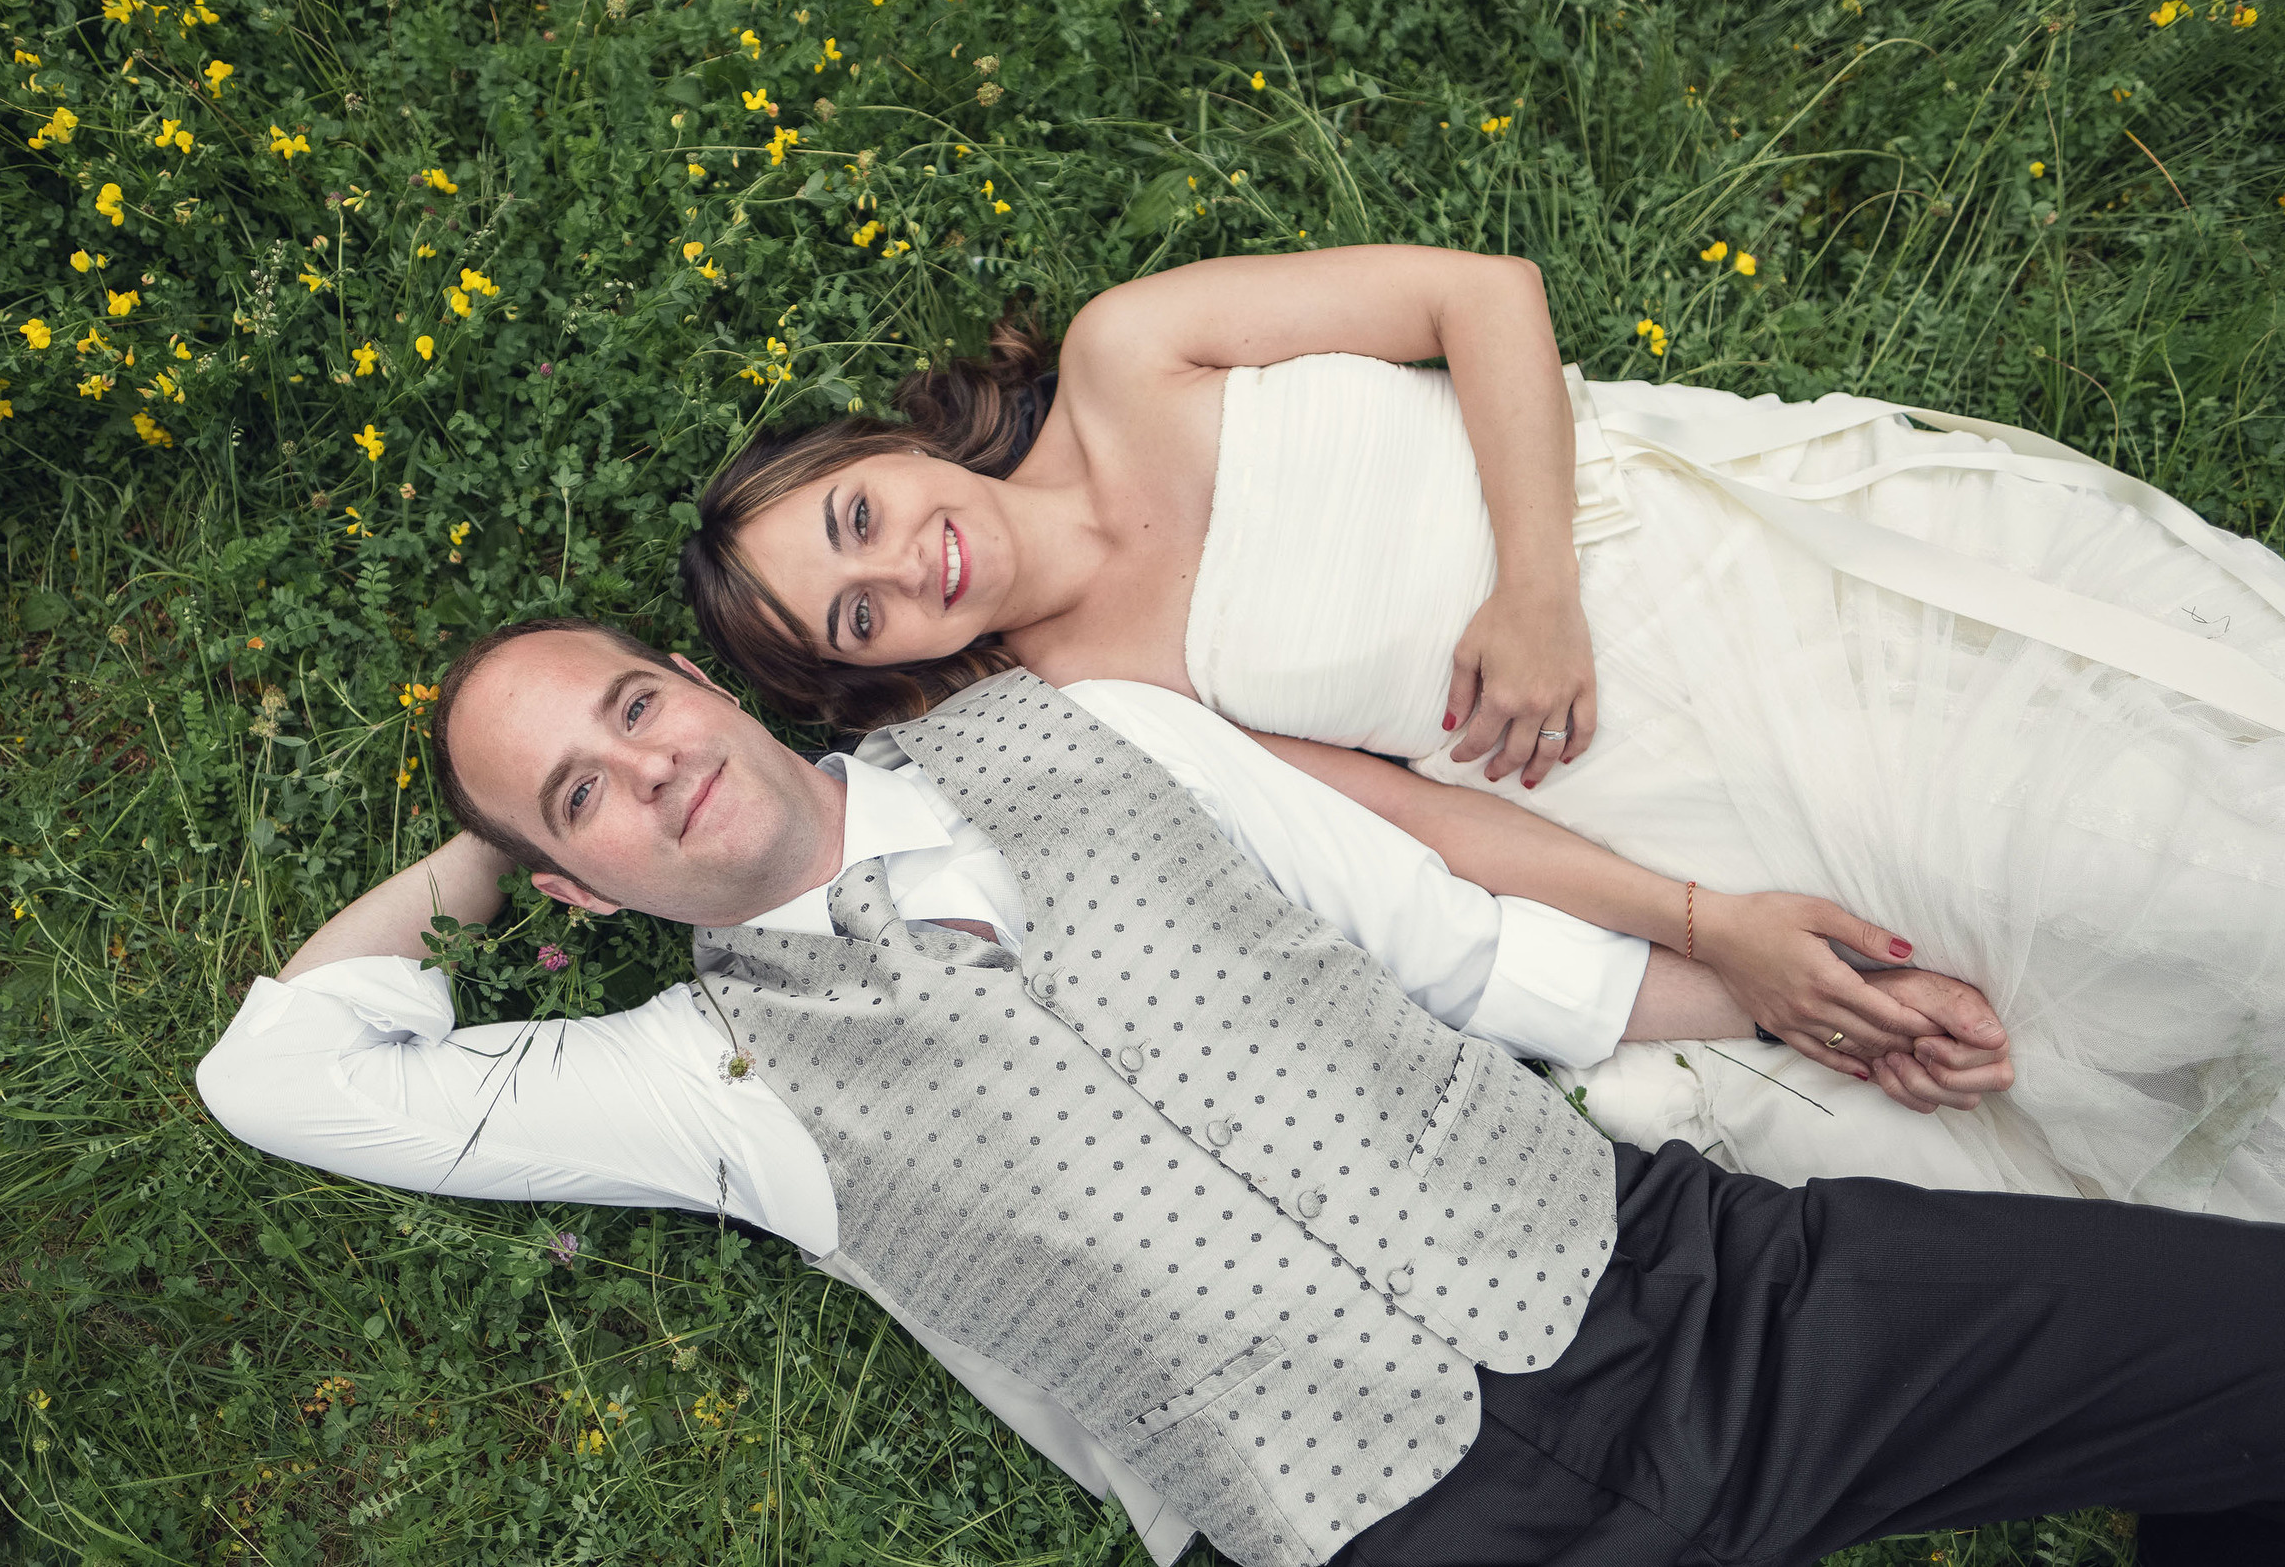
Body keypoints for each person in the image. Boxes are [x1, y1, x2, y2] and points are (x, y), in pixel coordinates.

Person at [195, 617, 2285, 1567]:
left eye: (633, 700)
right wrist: (463, 863)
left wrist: (1741, 979)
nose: (650, 762)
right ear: (584, 877)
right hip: (1406, 1525)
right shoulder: (696, 1074)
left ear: (705, 680)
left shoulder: (1089, 732)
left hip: (1700, 1294)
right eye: (583, 790)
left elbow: (1445, 944)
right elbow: (281, 1072)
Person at [681, 243, 2285, 1219]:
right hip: (1650, 780)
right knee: (2114, 937)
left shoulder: (1130, 354)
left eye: (858, 518)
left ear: (877, 451)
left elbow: (1480, 297)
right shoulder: (1104, 701)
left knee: (2202, 818)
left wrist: (1536, 589)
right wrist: (1708, 922)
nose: (903, 564)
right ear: (882, 676)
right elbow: (1413, 826)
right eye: (862, 616)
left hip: (1681, 557)